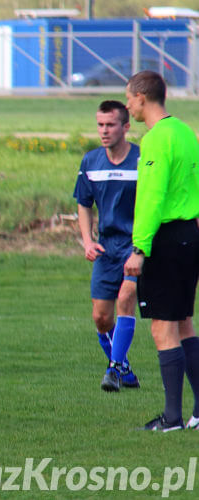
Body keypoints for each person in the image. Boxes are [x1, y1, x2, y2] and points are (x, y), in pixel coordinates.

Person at [123, 70, 199, 431]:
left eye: (128, 98)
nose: (127, 105)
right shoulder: (186, 132)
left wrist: (139, 248)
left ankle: (171, 418)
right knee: (185, 324)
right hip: (190, 234)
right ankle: (198, 412)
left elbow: (151, 198)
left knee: (163, 329)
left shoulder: (156, 139)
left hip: (165, 240)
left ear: (141, 97)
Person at [73, 100, 141, 392]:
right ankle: (123, 368)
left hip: (136, 245)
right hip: (106, 247)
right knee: (101, 317)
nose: (104, 130)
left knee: (126, 298)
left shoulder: (142, 159)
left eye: (110, 124)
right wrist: (87, 240)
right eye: (100, 124)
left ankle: (113, 370)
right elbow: (84, 204)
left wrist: (142, 246)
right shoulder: (90, 161)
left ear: (126, 127)